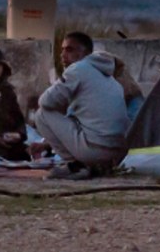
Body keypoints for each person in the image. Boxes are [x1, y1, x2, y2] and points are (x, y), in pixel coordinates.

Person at [34, 31, 129, 179]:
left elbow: (45, 102)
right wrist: (47, 144)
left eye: (70, 49)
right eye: (62, 50)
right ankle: (95, 166)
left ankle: (75, 166)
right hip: (118, 153)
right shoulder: (109, 78)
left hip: (95, 150)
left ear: (85, 53)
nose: (63, 55)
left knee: (42, 114)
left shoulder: (78, 69)